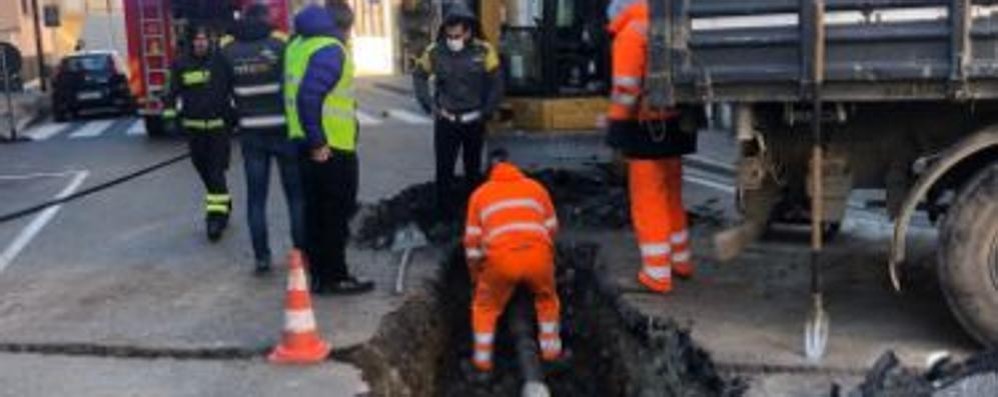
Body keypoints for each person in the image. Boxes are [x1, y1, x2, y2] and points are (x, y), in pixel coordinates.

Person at [605, 0, 699, 294]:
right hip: (677, 124)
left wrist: (615, 127)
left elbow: (626, 90)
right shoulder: (671, 19)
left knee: (649, 200)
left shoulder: (631, 32)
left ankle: (657, 274)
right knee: (671, 195)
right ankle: (680, 261)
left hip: (646, 128)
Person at [283, 3, 374, 294]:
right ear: (344, 25)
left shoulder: (297, 44)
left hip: (303, 141)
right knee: (336, 212)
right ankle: (335, 276)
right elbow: (309, 97)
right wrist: (319, 142)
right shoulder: (330, 49)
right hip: (330, 147)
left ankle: (320, 273)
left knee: (316, 211)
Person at [221, 4, 305, 275]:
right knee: (295, 197)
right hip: (284, 132)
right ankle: (301, 254)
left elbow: (222, 95)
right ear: (266, 19)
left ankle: (262, 258)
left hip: (251, 135)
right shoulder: (281, 43)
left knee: (256, 200)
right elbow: (296, 83)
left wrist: (233, 122)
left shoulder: (228, 49)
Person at [463, 149, 562, 373]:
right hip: (538, 256)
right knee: (547, 299)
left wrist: (476, 277)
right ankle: (551, 351)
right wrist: (547, 259)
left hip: (501, 260)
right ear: (514, 166)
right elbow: (552, 228)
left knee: (485, 307)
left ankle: (482, 361)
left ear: (490, 171)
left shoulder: (479, 195)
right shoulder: (536, 188)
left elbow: (472, 246)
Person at [413, 2, 503, 217]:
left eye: (458, 36)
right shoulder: (434, 51)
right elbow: (419, 75)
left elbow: (497, 81)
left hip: (474, 121)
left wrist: (487, 110)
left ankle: (474, 216)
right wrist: (429, 105)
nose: (453, 40)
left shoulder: (484, 50)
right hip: (446, 121)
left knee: (473, 173)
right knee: (444, 173)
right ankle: (444, 216)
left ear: (469, 31)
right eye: (449, 35)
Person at [164, 25, 235, 242]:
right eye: (197, 39)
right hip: (194, 130)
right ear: (191, 41)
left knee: (215, 172)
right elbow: (170, 92)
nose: (201, 42)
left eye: (204, 38)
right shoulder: (180, 64)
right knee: (203, 171)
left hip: (218, 129)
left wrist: (238, 114)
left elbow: (235, 87)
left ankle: (215, 219)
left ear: (211, 40)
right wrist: (169, 118)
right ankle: (224, 202)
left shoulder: (221, 61)